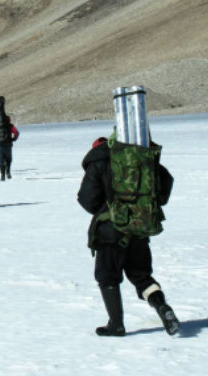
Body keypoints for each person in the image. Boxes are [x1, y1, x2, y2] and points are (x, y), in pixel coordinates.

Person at [77, 135, 179, 337]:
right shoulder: (141, 159)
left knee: (107, 276)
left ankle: (116, 324)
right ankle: (161, 306)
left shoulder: (98, 162)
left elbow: (87, 198)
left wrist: (106, 211)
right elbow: (165, 185)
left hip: (109, 232)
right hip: (139, 228)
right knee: (141, 276)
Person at [0, 96, 19, 181]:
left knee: (1, 161)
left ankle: (2, 175)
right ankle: (8, 172)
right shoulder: (10, 126)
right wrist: (13, 139)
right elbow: (16, 133)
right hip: (8, 145)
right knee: (8, 160)